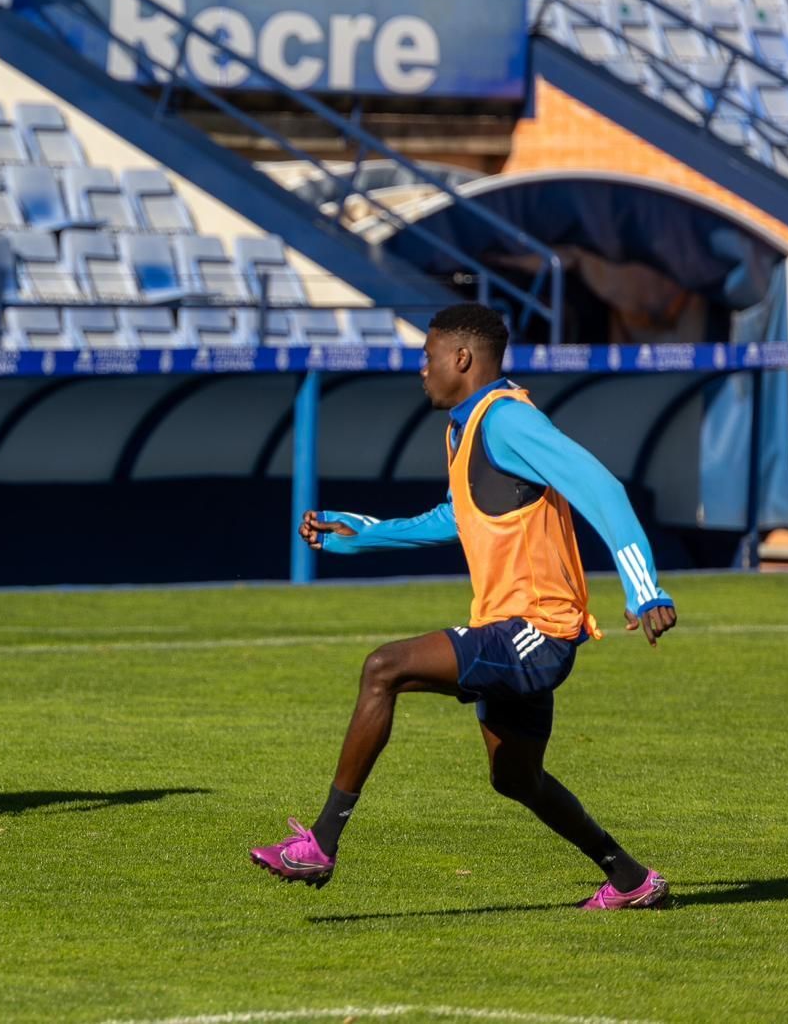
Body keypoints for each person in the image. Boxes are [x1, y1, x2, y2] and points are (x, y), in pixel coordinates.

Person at [249, 302, 679, 910]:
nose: (421, 370)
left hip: (536, 631)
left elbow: (600, 487)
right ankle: (632, 879)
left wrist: (644, 587)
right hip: (507, 627)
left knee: (383, 667)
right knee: (515, 778)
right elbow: (458, 516)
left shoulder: (507, 421)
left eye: (426, 358)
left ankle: (321, 842)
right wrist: (364, 531)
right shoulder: (466, 425)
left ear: (461, 358)